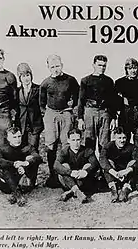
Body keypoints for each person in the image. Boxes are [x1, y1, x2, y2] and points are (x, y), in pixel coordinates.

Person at [40, 54, 80, 188]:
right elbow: (41, 102)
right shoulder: (46, 83)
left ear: (62, 65)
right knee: (51, 145)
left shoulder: (71, 80)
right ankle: (53, 175)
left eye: (57, 66)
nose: (55, 69)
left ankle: (66, 176)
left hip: (66, 113)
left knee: (66, 143)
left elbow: (77, 95)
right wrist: (48, 115)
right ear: (48, 68)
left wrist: (72, 103)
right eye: (52, 67)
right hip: (51, 113)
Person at [78, 55, 121, 152]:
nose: (102, 68)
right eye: (99, 65)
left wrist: (113, 118)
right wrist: (80, 118)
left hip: (104, 113)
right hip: (90, 112)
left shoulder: (109, 81)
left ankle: (103, 166)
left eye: (104, 66)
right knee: (89, 141)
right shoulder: (85, 80)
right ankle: (91, 166)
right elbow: (81, 100)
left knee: (104, 142)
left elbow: (112, 101)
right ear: (93, 65)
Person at [0, 127, 42, 207]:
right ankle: (17, 194)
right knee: (4, 167)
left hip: (24, 182)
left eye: (19, 136)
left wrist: (24, 163)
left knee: (30, 158)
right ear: (8, 138)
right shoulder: (2, 148)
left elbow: (38, 157)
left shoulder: (27, 146)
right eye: (14, 137)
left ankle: (16, 193)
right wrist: (14, 164)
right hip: (7, 184)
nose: (17, 139)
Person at [54, 129, 99, 204]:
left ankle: (72, 192)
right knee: (64, 166)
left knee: (88, 165)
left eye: (78, 140)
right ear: (68, 140)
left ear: (81, 140)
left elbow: (95, 163)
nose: (76, 143)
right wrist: (70, 172)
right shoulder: (64, 151)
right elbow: (56, 165)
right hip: (68, 180)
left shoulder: (87, 150)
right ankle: (77, 191)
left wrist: (85, 171)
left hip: (83, 179)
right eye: (73, 140)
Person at [99, 127, 138, 203]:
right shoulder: (108, 146)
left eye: (124, 138)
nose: (122, 140)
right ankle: (113, 189)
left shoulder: (131, 147)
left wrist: (127, 170)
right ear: (115, 137)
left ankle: (126, 189)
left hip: (126, 174)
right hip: (114, 174)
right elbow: (102, 159)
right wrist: (113, 172)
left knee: (133, 162)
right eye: (119, 138)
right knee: (107, 162)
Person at [115, 58, 138, 148]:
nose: (132, 71)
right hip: (125, 114)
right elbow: (117, 101)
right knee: (124, 139)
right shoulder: (119, 82)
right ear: (126, 70)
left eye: (134, 68)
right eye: (130, 68)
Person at [16, 63, 44, 151]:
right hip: (21, 124)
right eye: (23, 76)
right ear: (20, 78)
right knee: (21, 149)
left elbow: (42, 105)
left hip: (35, 124)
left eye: (28, 75)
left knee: (33, 148)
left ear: (31, 75)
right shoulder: (17, 91)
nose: (26, 78)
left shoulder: (38, 89)